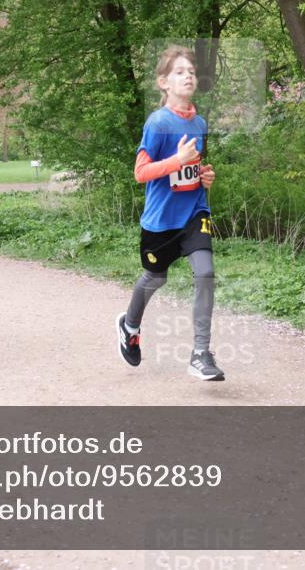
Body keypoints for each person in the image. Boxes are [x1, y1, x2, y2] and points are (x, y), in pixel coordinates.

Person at [114, 45, 221, 381]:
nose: (187, 76)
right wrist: (177, 162)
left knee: (204, 273)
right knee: (155, 277)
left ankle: (201, 354)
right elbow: (141, 172)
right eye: (179, 72)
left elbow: (195, 167)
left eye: (191, 71)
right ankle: (129, 325)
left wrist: (205, 176)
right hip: (160, 221)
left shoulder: (200, 122)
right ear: (164, 82)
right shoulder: (158, 123)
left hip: (193, 213)